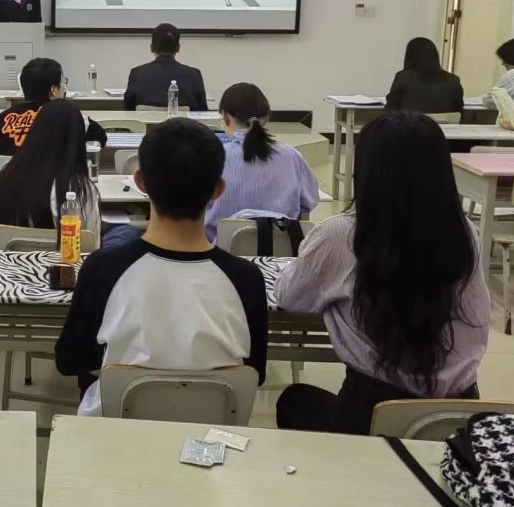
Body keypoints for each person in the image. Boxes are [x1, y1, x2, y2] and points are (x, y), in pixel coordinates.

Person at [276, 112, 489, 435]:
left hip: (374, 415)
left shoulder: (340, 235)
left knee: (294, 401)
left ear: (366, 172)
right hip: (457, 419)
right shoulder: (465, 233)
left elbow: (289, 297)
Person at [55, 118, 268, 417]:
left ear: (140, 182)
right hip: (210, 434)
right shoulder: (246, 279)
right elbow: (256, 373)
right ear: (218, 189)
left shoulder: (103, 268)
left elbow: (70, 360)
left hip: (113, 432)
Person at [204, 83, 320, 242]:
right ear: (266, 118)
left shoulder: (214, 156)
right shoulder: (292, 155)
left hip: (221, 248)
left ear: (226, 118)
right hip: (282, 251)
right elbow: (309, 202)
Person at [0, 100, 102, 245]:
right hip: (65, 259)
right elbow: (92, 245)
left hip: (10, 259)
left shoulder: (4, 179)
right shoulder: (81, 190)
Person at [0, 57, 107, 171]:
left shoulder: (2, 119)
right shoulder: (70, 115)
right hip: (55, 187)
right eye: (63, 82)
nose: (64, 87)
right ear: (53, 90)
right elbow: (100, 137)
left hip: (11, 187)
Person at [123, 23, 207, 111]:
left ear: (151, 48)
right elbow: (203, 112)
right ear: (178, 48)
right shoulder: (194, 75)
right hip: (182, 120)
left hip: (145, 120)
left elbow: (129, 110)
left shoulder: (137, 74)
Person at [385, 37, 464, 113]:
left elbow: (391, 109)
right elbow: (458, 111)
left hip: (410, 122)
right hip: (444, 122)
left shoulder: (403, 78)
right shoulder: (453, 80)